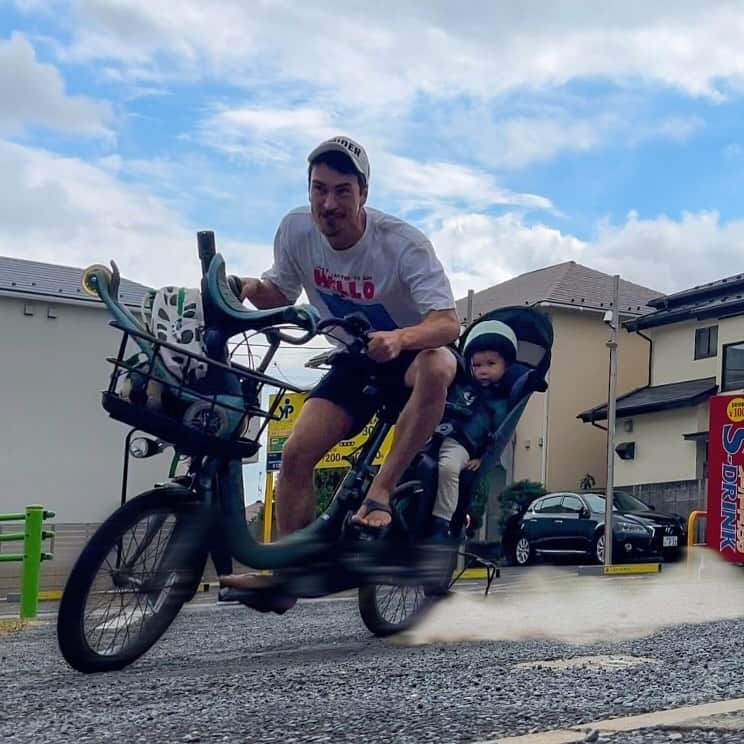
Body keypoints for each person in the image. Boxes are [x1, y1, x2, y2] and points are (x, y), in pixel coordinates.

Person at [219, 135, 460, 612]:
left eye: (342, 191)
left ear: (363, 194)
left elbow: (448, 322)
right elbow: (279, 291)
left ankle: (381, 493)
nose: (329, 204)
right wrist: (244, 287)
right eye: (319, 189)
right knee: (294, 454)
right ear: (309, 190)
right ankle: (290, 573)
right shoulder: (295, 230)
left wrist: (400, 338)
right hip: (355, 359)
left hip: (409, 355)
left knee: (440, 363)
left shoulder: (402, 244)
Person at [430, 320, 518, 539]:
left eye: (490, 364)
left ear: (506, 366)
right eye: (477, 365)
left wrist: (482, 458)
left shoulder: (499, 402)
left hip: (461, 444)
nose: (483, 371)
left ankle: (442, 519)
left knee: (448, 468)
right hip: (433, 434)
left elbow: (498, 435)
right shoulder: (461, 386)